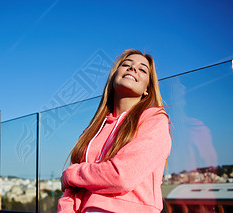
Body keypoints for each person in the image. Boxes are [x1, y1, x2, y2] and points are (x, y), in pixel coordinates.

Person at [58, 49, 172, 213]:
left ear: (147, 88)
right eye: (126, 65)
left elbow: (122, 176)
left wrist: (70, 174)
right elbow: (72, 192)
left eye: (142, 69)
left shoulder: (154, 119)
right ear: (113, 77)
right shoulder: (92, 131)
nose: (132, 69)